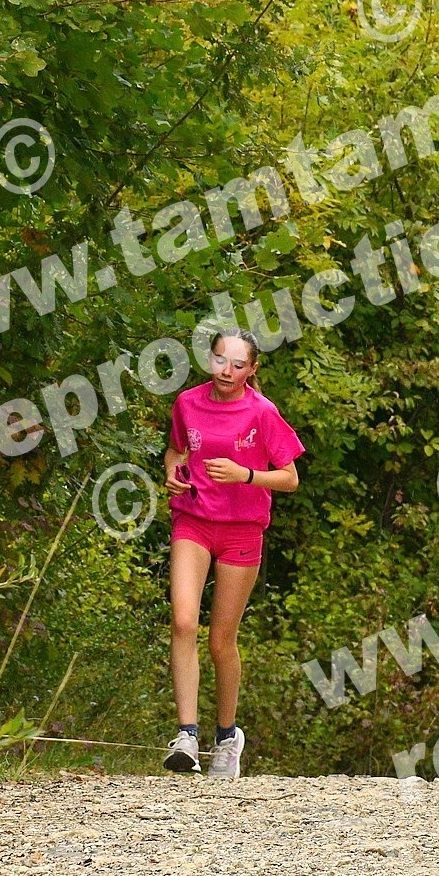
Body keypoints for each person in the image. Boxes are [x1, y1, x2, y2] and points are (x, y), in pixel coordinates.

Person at [161, 327, 304, 779]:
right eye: (220, 360)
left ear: (252, 369)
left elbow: (290, 478)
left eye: (238, 365)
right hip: (193, 520)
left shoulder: (262, 412)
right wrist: (172, 473)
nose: (227, 371)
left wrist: (246, 475)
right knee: (184, 620)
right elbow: (175, 450)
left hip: (242, 528)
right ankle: (186, 734)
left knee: (221, 640)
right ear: (209, 359)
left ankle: (226, 737)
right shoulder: (187, 403)